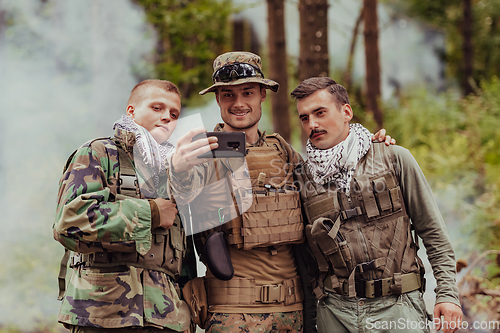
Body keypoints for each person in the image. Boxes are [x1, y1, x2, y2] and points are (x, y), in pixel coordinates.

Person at [168, 52, 392, 333]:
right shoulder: (202, 150)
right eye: (227, 95)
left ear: (262, 94)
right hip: (233, 314)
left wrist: (368, 146)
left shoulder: (281, 150)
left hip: (292, 311)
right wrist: (177, 168)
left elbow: (331, 186)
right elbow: (178, 195)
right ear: (217, 99)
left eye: (247, 92)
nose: (238, 103)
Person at [290, 77, 463, 333]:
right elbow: (304, 262)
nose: (312, 124)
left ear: (346, 111)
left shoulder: (393, 157)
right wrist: (309, 322)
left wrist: (448, 294)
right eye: (304, 118)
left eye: (320, 112)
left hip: (398, 307)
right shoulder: (302, 178)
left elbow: (433, 232)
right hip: (335, 313)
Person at [53, 79, 193, 332]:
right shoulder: (99, 153)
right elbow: (69, 223)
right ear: (132, 111)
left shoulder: (176, 170)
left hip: (166, 319)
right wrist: (150, 213)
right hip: (102, 315)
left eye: (174, 114)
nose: (166, 118)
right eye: (157, 108)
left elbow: (181, 259)